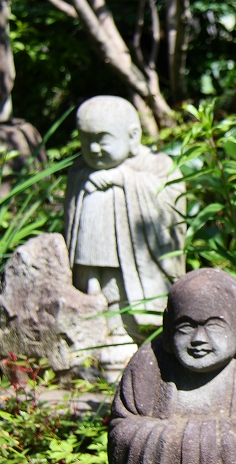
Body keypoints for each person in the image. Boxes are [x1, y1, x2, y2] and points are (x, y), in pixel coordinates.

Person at [108, 269, 236, 464]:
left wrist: (183, 437)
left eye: (214, 326)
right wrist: (201, 438)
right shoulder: (150, 363)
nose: (198, 339)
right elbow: (122, 430)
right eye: (186, 326)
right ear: (168, 326)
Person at [64, 96, 185, 344]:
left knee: (119, 292)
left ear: (133, 136)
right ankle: (90, 325)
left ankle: (125, 330)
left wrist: (124, 179)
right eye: (86, 140)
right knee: (91, 286)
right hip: (91, 255)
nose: (94, 148)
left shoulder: (156, 165)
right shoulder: (80, 170)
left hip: (130, 261)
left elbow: (172, 202)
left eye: (102, 139)